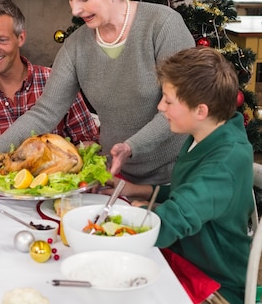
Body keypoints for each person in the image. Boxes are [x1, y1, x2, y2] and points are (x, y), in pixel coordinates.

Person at [0, 0, 195, 185]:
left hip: (177, 176)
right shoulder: (76, 45)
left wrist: (131, 147)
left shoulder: (162, 25)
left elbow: (182, 105)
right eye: (70, 0)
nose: (75, 10)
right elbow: (46, 111)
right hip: (115, 176)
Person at [106, 47, 253, 303]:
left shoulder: (224, 163)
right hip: (182, 262)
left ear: (200, 111)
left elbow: (174, 219)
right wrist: (131, 190)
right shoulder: (205, 137)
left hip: (213, 285)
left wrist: (107, 227)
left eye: (168, 100)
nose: (161, 107)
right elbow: (184, 192)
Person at [0, 0, 99, 169]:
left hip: (55, 191)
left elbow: (90, 144)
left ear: (21, 38)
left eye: (2, 39)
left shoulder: (56, 82)